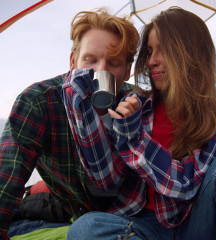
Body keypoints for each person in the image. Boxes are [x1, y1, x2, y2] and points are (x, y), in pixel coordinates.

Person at [64, 7, 216, 240]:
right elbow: (106, 179)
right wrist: (79, 104)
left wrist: (135, 139)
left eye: (163, 50)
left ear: (191, 53)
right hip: (141, 225)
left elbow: (185, 184)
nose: (151, 62)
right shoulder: (135, 105)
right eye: (149, 52)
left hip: (197, 223)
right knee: (84, 229)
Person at [0, 8, 139, 239]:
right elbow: (7, 176)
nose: (100, 71)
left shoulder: (138, 104)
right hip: (82, 217)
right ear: (73, 61)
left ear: (127, 71)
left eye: (113, 63)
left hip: (133, 214)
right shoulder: (40, 102)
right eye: (90, 60)